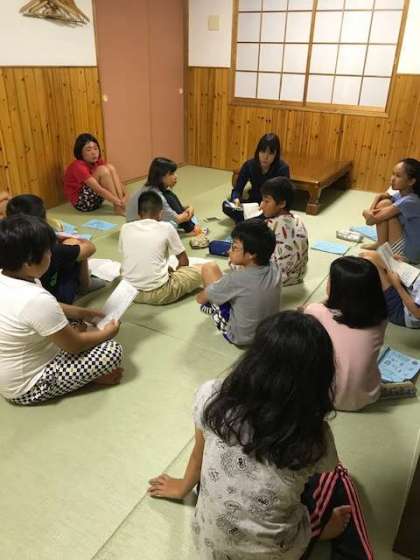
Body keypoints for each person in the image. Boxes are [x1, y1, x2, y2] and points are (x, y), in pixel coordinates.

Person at [149, 311, 374, 560]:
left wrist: (182, 487)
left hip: (209, 547)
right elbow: (328, 468)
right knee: (339, 476)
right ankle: (318, 531)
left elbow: (198, 452)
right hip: (278, 553)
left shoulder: (212, 396)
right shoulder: (314, 436)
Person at [0, 215, 123, 405]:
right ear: (29, 262)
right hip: (26, 386)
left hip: (11, 370)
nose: (51, 255)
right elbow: (74, 345)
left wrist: (84, 313)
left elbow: (49, 309)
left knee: (81, 325)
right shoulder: (35, 300)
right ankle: (89, 380)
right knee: (111, 351)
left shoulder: (12, 277)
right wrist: (108, 333)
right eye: (48, 251)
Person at [304, 256, 387, 412]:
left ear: (337, 290)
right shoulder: (381, 318)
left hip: (324, 397)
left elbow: (321, 308)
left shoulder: (315, 311)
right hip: (367, 396)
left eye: (330, 280)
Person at [6, 194, 103, 304]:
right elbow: (90, 248)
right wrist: (77, 239)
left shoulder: (6, 240)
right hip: (54, 297)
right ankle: (84, 285)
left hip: (18, 295)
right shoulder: (48, 249)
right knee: (75, 245)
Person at [197, 219, 281, 345]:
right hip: (269, 333)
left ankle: (212, 307)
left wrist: (208, 295)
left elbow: (200, 299)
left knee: (209, 268)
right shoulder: (275, 267)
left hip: (240, 337)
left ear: (252, 254)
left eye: (234, 247)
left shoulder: (235, 279)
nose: (228, 251)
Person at [119, 190, 202, 305]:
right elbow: (184, 262)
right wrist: (177, 275)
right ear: (160, 214)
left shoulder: (125, 228)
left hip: (129, 292)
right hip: (159, 293)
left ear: (138, 213)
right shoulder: (166, 227)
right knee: (203, 269)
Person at [126, 157, 207, 240]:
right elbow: (178, 218)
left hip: (136, 225)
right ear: (161, 177)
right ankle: (191, 229)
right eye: (171, 174)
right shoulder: (158, 196)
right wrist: (190, 211)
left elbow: (172, 209)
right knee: (172, 224)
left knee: (171, 200)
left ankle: (190, 226)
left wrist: (189, 207)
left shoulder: (151, 187)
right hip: (139, 230)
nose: (176, 176)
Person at [362, 158, 420, 263]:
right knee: (385, 203)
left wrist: (366, 212)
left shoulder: (410, 201)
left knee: (385, 205)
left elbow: (370, 221)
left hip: (410, 253)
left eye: (398, 176)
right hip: (407, 239)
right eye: (393, 174)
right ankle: (380, 244)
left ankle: (382, 248)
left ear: (411, 181)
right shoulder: (402, 194)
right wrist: (377, 198)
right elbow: (383, 196)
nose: (392, 179)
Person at [223, 133, 290, 223]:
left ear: (276, 155)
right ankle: (252, 221)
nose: (265, 157)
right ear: (258, 151)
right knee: (226, 206)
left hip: (270, 208)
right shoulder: (249, 165)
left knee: (274, 216)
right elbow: (237, 189)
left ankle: (250, 221)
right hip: (253, 204)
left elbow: (285, 197)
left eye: (270, 153)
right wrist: (236, 199)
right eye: (262, 152)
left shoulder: (282, 168)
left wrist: (269, 207)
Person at [260, 176, 308, 286]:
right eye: (262, 200)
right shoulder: (298, 219)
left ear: (282, 204)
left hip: (275, 278)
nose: (261, 206)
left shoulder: (270, 224)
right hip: (298, 275)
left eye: (266, 201)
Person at [64, 133, 128, 215]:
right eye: (88, 150)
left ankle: (121, 206)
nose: (94, 152)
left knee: (110, 167)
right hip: (82, 203)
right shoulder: (78, 166)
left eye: (95, 148)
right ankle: (118, 207)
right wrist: (118, 202)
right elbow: (98, 189)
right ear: (80, 152)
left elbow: (117, 181)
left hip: (97, 200)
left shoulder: (98, 161)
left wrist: (126, 196)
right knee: (102, 170)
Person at [362, 249, 420, 329]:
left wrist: (397, 286)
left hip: (405, 313)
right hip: (411, 289)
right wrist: (405, 263)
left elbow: (417, 314)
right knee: (373, 255)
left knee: (369, 260)